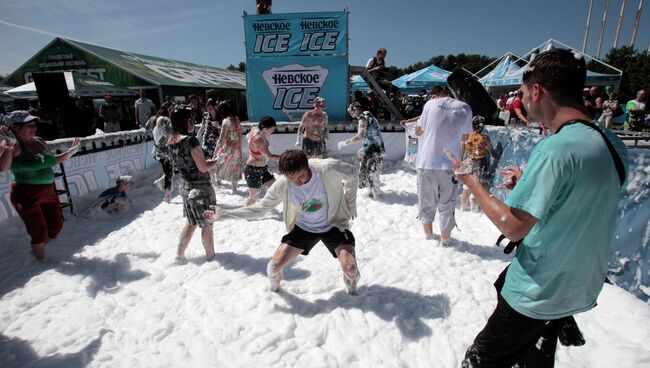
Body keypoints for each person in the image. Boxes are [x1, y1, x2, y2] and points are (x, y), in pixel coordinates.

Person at [454, 49, 629, 368]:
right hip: (577, 287)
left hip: (539, 290)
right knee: (533, 361)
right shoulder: (611, 143)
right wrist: (527, 185)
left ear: (537, 91)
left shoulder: (556, 149)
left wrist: (471, 182)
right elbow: (582, 200)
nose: (521, 101)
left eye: (522, 93)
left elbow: (512, 225)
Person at [209, 149, 360, 294]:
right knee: (273, 267)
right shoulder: (282, 184)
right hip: (304, 229)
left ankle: (353, 292)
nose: (298, 182)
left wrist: (350, 204)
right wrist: (224, 214)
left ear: (306, 166)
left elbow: (353, 173)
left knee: (350, 269)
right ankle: (274, 291)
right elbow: (260, 209)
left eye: (300, 176)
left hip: (334, 225)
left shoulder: (327, 168)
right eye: (291, 178)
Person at [0, 111, 80, 260]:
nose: (34, 128)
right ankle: (40, 262)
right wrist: (8, 146)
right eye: (29, 125)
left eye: (34, 124)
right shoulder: (13, 146)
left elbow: (51, 161)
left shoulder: (39, 141)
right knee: (39, 232)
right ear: (15, 128)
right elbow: (3, 168)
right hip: (25, 194)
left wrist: (70, 152)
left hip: (48, 191)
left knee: (56, 227)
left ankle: (38, 249)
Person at [414, 86, 472, 244]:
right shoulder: (465, 107)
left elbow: (418, 132)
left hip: (427, 162)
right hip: (450, 165)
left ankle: (428, 238)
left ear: (435, 96)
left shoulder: (430, 104)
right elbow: (465, 137)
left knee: (426, 202)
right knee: (447, 205)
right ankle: (445, 242)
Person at [166, 105, 220, 262]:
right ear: (185, 121)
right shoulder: (190, 140)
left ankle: (179, 255)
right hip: (201, 189)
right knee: (208, 224)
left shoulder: (171, 140)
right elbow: (203, 167)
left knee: (191, 223)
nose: (194, 122)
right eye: (191, 119)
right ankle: (211, 257)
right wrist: (217, 161)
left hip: (185, 186)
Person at [338, 102, 386, 199]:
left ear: (355, 109)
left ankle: (374, 197)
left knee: (370, 174)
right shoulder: (368, 115)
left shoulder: (363, 117)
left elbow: (360, 136)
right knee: (373, 173)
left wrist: (346, 142)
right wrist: (363, 148)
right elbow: (371, 135)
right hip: (376, 148)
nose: (352, 116)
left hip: (373, 150)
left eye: (351, 112)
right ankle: (375, 195)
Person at [244, 116, 280, 206]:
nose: (272, 132)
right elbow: (270, 156)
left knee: (276, 187)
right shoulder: (258, 139)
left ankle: (267, 206)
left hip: (263, 168)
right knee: (253, 197)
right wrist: (286, 157)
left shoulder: (256, 128)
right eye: (271, 130)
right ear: (265, 128)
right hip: (253, 169)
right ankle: (245, 214)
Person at [460, 115, 493, 212]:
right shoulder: (485, 138)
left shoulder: (466, 136)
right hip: (479, 163)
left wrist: (461, 162)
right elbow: (491, 150)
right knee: (476, 187)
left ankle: (463, 208)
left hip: (468, 161)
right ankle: (474, 211)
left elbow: (461, 151)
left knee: (466, 188)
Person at [213, 101, 243, 194]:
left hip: (228, 146)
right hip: (236, 146)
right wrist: (239, 145)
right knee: (235, 167)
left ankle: (217, 182)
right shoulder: (236, 119)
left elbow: (222, 138)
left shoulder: (226, 121)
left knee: (218, 163)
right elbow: (239, 133)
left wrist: (215, 151)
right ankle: (234, 189)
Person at [151, 103, 174, 202]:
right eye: (171, 109)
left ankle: (163, 187)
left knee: (169, 172)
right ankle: (167, 194)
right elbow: (168, 134)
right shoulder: (164, 120)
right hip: (164, 152)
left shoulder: (155, 119)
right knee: (169, 173)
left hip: (158, 151)